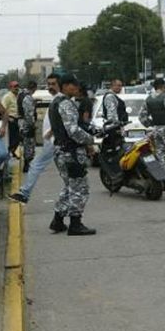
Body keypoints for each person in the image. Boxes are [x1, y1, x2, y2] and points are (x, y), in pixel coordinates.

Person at [48, 75, 97, 236]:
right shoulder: (66, 104)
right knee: (80, 188)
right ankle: (75, 223)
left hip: (61, 150)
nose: (77, 88)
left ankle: (58, 219)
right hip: (71, 152)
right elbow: (73, 130)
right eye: (74, 85)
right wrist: (90, 139)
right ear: (66, 86)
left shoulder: (55, 102)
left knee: (69, 187)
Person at [9, 74, 60, 205]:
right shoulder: (53, 99)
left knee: (36, 163)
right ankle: (25, 193)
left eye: (53, 84)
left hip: (56, 140)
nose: (50, 87)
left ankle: (25, 193)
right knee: (34, 160)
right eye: (49, 84)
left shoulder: (60, 100)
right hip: (51, 140)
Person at [17, 81, 38, 173]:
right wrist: (32, 125)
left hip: (22, 123)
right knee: (29, 144)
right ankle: (27, 164)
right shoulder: (28, 98)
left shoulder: (21, 94)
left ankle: (27, 163)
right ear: (34, 88)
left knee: (26, 143)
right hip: (27, 124)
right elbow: (29, 114)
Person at [1, 81, 22, 158]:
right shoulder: (7, 97)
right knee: (12, 139)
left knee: (18, 138)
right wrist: (9, 118)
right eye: (14, 86)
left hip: (17, 120)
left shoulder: (18, 96)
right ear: (10, 88)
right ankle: (11, 153)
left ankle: (14, 153)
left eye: (17, 86)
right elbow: (2, 109)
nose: (16, 88)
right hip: (10, 120)